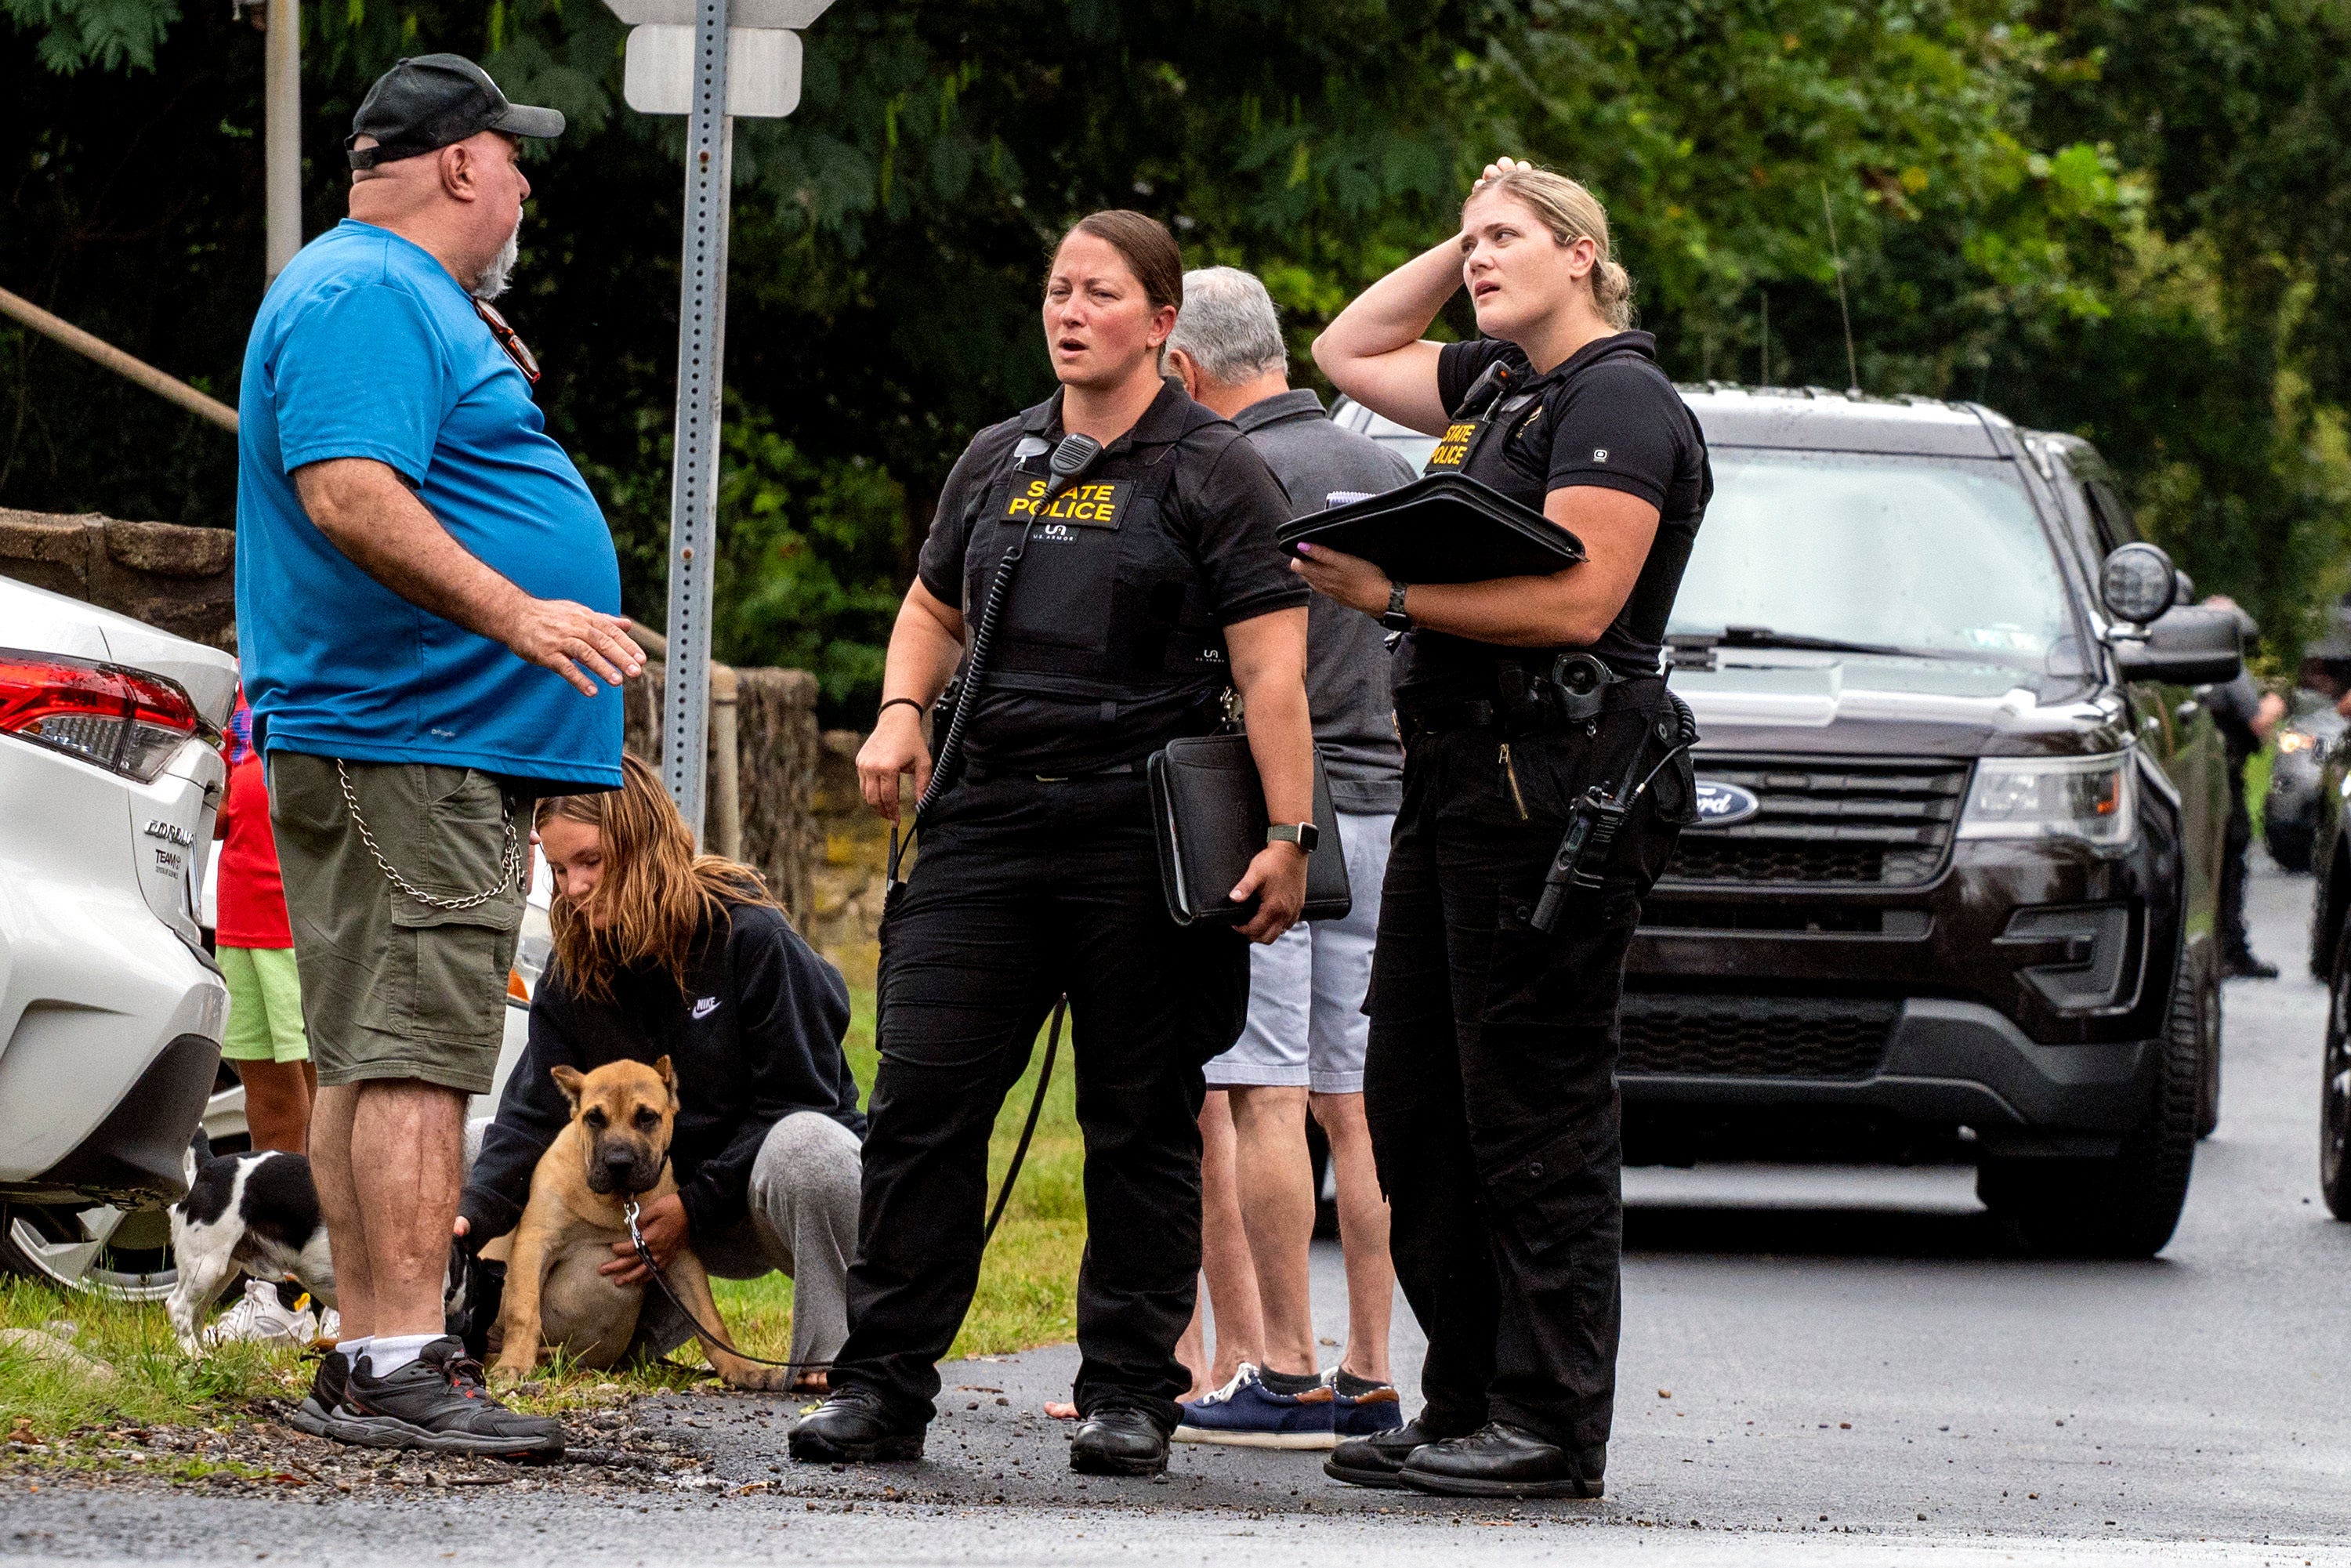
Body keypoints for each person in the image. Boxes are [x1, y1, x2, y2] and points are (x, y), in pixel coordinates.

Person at [788, 210, 1317, 1479]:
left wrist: (1292, 836)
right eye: (1057, 290)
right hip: (985, 825)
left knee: (1138, 1119)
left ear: (1159, 321)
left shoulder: (1213, 469)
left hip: (1142, 835)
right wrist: (902, 711)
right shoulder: (998, 458)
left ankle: (1132, 1392)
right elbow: (931, 605)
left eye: (1099, 292)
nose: (1069, 311)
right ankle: (881, 1387)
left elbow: (1274, 671)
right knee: (921, 1106)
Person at [236, 53, 643, 1456]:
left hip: (409, 734)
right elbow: (348, 490)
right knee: (412, 1057)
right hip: (410, 733)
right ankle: (406, 1353)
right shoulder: (367, 290)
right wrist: (520, 612)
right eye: (513, 158)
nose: (523, 183)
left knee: (368, 1052)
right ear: (463, 163)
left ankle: (369, 1353)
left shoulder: (393, 294)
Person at [1302, 158, 1708, 1498]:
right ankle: (1464, 1397)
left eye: (1511, 241)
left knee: (1532, 1113)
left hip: (1557, 788)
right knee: (1417, 1103)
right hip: (1455, 782)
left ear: (1582, 256)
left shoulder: (1621, 399)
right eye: (1471, 243)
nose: (1480, 260)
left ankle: (1547, 1423)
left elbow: (1585, 600)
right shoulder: (1499, 384)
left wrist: (1394, 594)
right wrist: (1466, 229)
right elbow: (1348, 348)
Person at [1160, 266, 1411, 1447]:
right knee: (1354, 1101)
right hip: (1383, 801)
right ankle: (1372, 1367)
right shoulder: (1382, 466)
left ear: (1185, 368)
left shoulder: (1233, 474)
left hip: (1281, 820)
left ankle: (1281, 1365)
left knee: (1256, 1091)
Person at [457, 755, 865, 1387]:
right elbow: (532, 1113)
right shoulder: (575, 972)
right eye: (560, 870)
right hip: (639, 1209)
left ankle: (837, 1356)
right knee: (470, 1143)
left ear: (641, 844)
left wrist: (691, 1207)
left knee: (812, 1145)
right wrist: (473, 1211)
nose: (573, 888)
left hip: (752, 1203)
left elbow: (804, 1097)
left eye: (590, 862)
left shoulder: (748, 936)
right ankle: (452, 1330)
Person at [2200, 596, 2285, 979]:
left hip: (2196, 776)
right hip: (2223, 779)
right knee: (2231, 863)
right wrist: (2278, 701)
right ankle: (2232, 951)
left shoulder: (2184, 669)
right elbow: (2258, 723)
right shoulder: (2227, 669)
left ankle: (2213, 948)